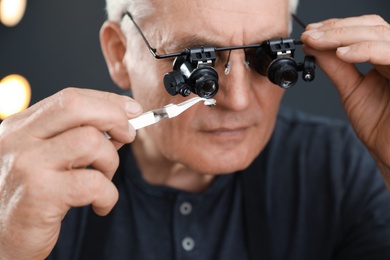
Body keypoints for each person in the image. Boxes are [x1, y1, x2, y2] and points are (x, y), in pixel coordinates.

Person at [1, 0, 390, 259]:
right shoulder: (36, 197)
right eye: (198, 66)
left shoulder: (341, 169)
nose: (237, 100)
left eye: (264, 57)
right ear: (120, 54)